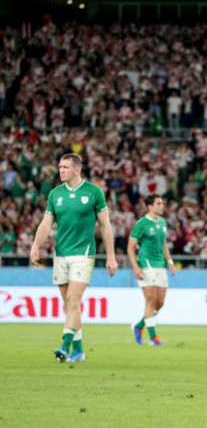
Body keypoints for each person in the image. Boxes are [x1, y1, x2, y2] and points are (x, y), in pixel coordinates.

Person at [30, 153, 118, 362]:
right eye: (60, 167)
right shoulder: (55, 194)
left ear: (76, 170)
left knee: (73, 299)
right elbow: (46, 223)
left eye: (65, 167)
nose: (61, 170)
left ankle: (64, 346)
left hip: (83, 254)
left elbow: (105, 226)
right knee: (70, 305)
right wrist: (36, 245)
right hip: (60, 254)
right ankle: (79, 351)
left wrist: (111, 257)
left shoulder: (94, 192)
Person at [127, 194, 176, 346]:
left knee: (160, 303)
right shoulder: (141, 224)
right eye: (158, 203)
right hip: (146, 265)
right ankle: (153, 338)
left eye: (162, 203)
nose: (162, 206)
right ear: (150, 206)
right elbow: (130, 247)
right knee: (150, 300)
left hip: (160, 266)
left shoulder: (162, 222)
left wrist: (170, 261)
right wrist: (135, 267)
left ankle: (139, 325)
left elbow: (163, 243)